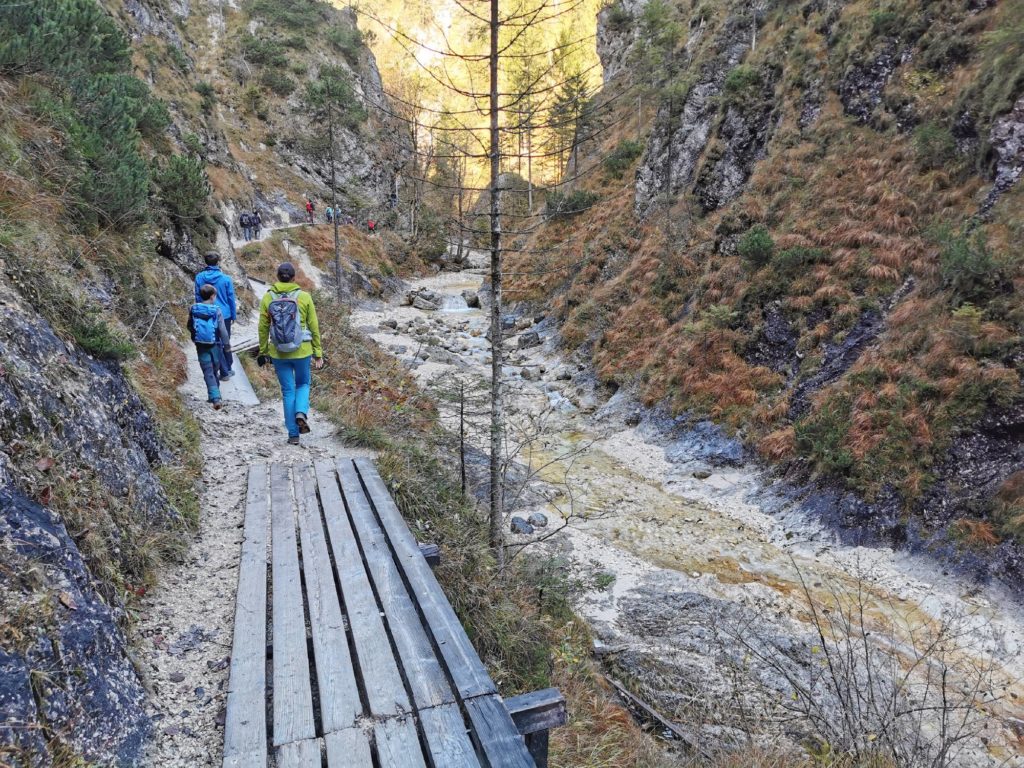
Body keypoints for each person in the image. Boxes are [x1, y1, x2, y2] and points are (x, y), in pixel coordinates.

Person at [257, 262, 324, 445]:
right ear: (294, 278)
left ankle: (293, 434)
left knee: (288, 391)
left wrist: (264, 351)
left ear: (277, 277)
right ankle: (301, 412)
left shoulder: (268, 297)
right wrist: (318, 352)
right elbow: (314, 326)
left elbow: (263, 328)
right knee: (303, 383)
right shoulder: (304, 297)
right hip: (302, 350)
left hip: (278, 352)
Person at [194, 252, 237, 379]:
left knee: (212, 340)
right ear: (218, 262)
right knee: (224, 341)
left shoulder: (199, 278)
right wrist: (233, 315)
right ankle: (227, 369)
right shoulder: (225, 279)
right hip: (224, 314)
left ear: (205, 262)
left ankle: (219, 368)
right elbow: (231, 299)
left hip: (206, 313)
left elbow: (197, 296)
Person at [188, 284, 230, 409]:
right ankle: (216, 397)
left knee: (208, 371)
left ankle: (213, 396)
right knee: (214, 369)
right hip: (215, 344)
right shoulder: (216, 310)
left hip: (200, 345)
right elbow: (222, 330)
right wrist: (227, 345)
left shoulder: (193, 308)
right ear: (212, 296)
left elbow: (189, 325)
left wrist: (194, 337)